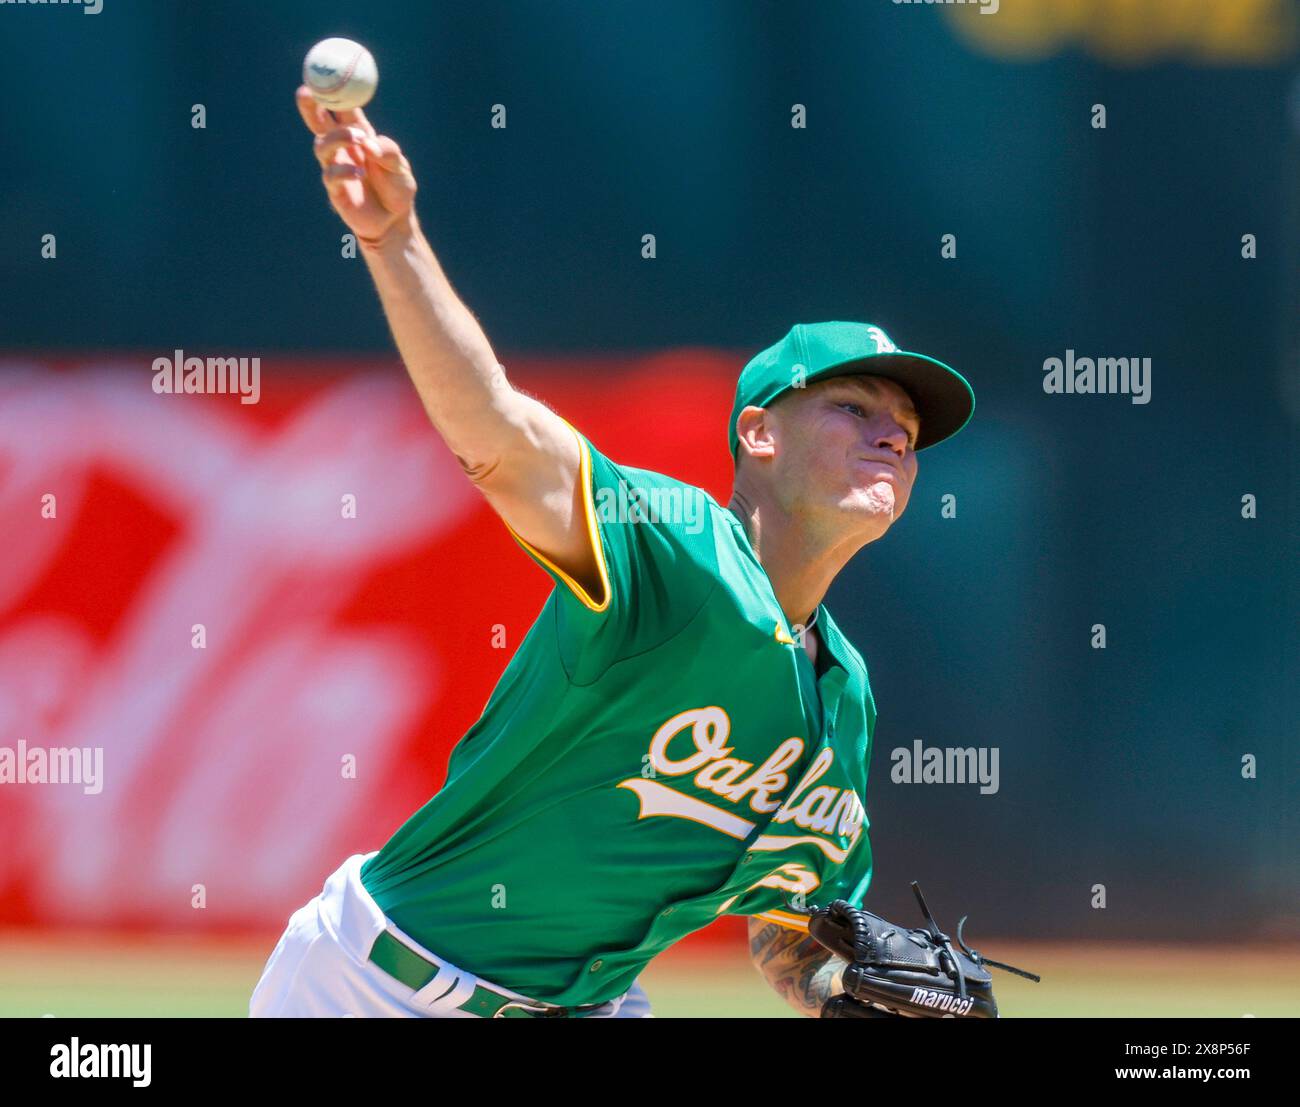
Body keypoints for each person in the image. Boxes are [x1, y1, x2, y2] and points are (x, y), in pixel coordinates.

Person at [249, 87, 975, 1019]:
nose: (892, 437)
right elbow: (500, 435)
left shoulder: (845, 697)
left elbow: (789, 922)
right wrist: (396, 243)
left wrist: (841, 990)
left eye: (908, 429)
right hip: (375, 989)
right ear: (758, 434)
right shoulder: (672, 550)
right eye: (855, 408)